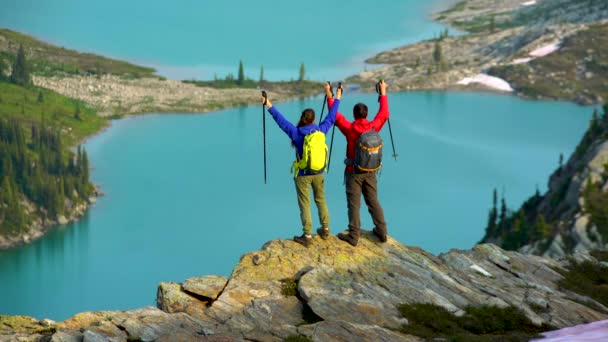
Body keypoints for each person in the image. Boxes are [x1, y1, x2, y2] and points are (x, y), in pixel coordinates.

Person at [262, 83, 342, 247]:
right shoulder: (321, 131)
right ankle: (325, 228)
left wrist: (267, 103)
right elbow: (332, 116)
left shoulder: (296, 133)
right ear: (313, 119)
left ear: (302, 118)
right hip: (319, 172)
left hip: (303, 175)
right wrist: (335, 96)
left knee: (305, 204)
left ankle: (307, 235)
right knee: (321, 200)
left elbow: (281, 120)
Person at [324, 80, 389, 246]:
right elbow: (384, 114)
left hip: (353, 171)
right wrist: (382, 92)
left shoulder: (350, 128)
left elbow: (335, 116)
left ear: (354, 115)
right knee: (373, 201)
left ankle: (354, 236)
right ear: (366, 114)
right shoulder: (373, 127)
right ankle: (382, 232)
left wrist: (330, 95)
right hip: (371, 170)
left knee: (354, 204)